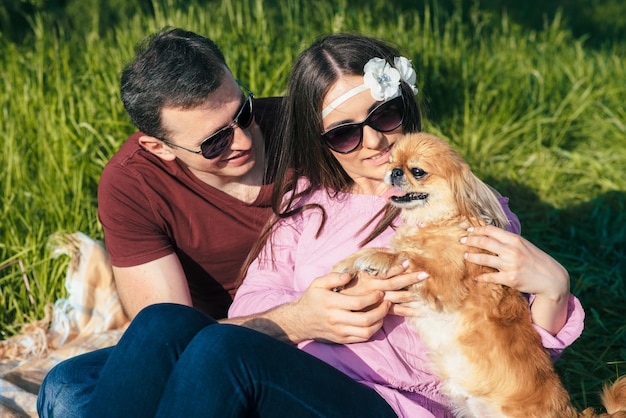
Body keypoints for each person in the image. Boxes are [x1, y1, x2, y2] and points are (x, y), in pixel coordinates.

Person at [68, 33, 584, 417]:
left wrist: (554, 291)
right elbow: (249, 308)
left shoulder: (452, 197)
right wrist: (305, 313)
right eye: (344, 135)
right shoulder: (305, 205)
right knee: (158, 329)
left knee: (218, 354)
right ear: (321, 142)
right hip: (296, 377)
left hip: (389, 401)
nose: (377, 143)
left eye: (385, 116)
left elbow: (506, 337)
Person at [37, 29, 423, 417]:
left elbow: (417, 165)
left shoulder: (315, 132)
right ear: (160, 148)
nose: (243, 139)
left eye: (242, 113)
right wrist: (298, 320)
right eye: (215, 142)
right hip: (238, 332)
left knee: (208, 358)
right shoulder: (136, 184)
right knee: (71, 385)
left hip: (312, 369)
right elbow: (173, 333)